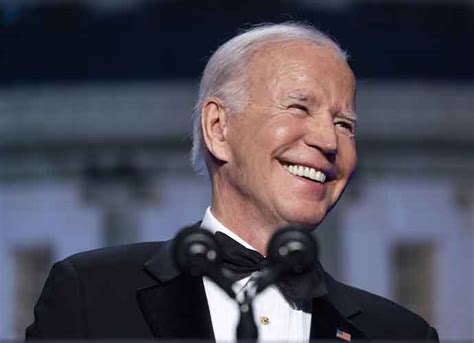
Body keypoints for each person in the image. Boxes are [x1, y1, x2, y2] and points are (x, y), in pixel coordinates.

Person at [26, 22, 439, 341]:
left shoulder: (401, 334)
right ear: (218, 128)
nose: (330, 141)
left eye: (345, 124)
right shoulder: (91, 297)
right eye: (298, 107)